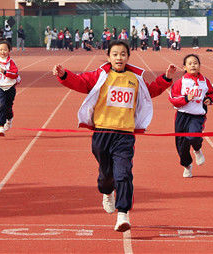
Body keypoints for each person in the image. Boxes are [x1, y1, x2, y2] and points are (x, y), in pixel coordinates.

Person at [52, 40, 176, 232]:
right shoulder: (101, 76)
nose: (119, 57)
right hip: (102, 133)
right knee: (105, 176)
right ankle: (107, 192)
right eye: (115, 54)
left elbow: (149, 92)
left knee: (124, 173)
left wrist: (166, 79)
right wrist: (64, 75)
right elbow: (81, 83)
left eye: (123, 54)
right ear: (109, 57)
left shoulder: (135, 78)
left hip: (125, 135)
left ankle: (123, 214)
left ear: (128, 57)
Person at [169, 54, 213, 178]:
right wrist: (186, 98)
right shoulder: (181, 82)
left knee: (194, 136)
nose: (193, 65)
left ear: (199, 66)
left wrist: (209, 99)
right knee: (181, 146)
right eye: (190, 63)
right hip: (182, 116)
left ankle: (197, 149)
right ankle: (187, 166)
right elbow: (173, 98)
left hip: (197, 116)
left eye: (195, 63)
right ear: (185, 67)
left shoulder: (205, 81)